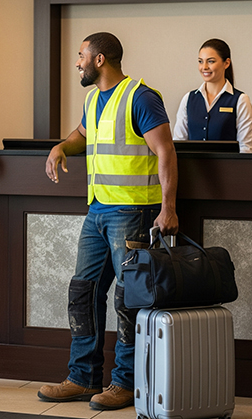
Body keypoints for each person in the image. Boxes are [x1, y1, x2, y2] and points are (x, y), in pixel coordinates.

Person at [38, 32, 178, 411]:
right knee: (83, 293)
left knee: (127, 301)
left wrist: (168, 208)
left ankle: (125, 384)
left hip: (134, 212)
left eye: (82, 55)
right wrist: (60, 146)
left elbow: (165, 151)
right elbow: (82, 135)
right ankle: (82, 379)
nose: (78, 61)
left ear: (100, 59)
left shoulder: (141, 97)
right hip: (98, 211)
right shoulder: (93, 98)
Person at [172, 38, 252, 153]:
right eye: (200, 61)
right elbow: (178, 143)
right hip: (192, 169)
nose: (204, 67)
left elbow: (245, 148)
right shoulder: (188, 99)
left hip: (229, 169)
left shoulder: (240, 100)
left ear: (226, 63)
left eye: (210, 61)